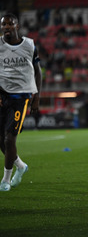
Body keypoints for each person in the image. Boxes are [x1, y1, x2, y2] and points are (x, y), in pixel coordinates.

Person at [0, 13, 42, 191]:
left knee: (10, 139)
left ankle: (6, 180)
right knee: (1, 140)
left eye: (10, 24)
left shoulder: (29, 45)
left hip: (21, 97)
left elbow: (38, 72)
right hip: (3, 96)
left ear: (17, 26)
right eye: (4, 25)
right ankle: (21, 166)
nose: (6, 27)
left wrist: (37, 96)